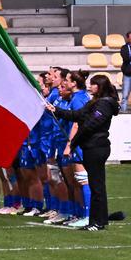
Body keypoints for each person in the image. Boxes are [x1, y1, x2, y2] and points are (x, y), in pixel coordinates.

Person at [46, 75, 120, 231]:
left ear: (99, 87)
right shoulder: (94, 102)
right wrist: (56, 110)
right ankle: (98, 219)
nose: (90, 87)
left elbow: (90, 125)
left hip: (97, 147)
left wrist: (73, 143)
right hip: (91, 146)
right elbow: (77, 115)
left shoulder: (104, 104)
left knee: (96, 185)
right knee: (95, 185)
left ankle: (97, 222)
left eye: (93, 85)